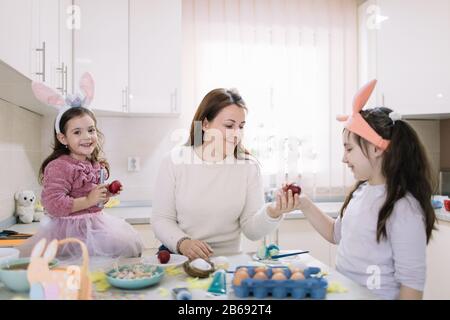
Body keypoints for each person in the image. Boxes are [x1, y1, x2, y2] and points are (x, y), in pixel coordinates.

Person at [288, 80, 436, 299]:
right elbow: (335, 233)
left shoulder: (403, 208)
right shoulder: (360, 192)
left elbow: (411, 286)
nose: (343, 158)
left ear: (376, 148)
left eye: (349, 149)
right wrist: (304, 203)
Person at [152, 88, 295, 259]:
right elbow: (161, 219)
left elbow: (251, 230)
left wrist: (273, 212)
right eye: (229, 125)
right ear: (205, 124)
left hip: (229, 263)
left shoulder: (248, 167)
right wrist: (184, 243)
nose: (237, 134)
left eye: (241, 127)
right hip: (182, 260)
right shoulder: (174, 161)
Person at [19, 73, 143, 260]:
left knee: (126, 247)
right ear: (63, 138)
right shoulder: (59, 166)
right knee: (75, 269)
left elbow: (94, 203)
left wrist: (104, 194)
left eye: (91, 130)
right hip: (67, 233)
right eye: (77, 132)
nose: (87, 136)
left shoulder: (94, 164)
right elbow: (53, 205)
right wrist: (89, 200)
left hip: (94, 225)